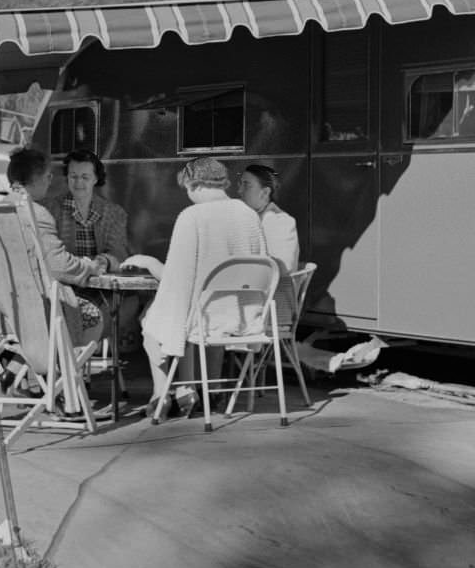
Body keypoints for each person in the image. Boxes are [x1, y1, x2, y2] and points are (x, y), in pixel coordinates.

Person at [123, 157, 267, 416]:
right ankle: (208, 389)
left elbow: (176, 279)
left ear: (195, 183)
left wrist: (148, 262)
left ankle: (163, 395)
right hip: (242, 316)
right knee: (191, 314)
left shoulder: (192, 216)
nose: (188, 196)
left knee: (151, 322)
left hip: (204, 317)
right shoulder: (249, 214)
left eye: (187, 189)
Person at [5, 147, 110, 352]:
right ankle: (69, 378)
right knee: (93, 315)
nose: (50, 180)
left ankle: (15, 371)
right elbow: (59, 266)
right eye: (48, 175)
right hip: (32, 311)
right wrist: (89, 266)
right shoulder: (36, 213)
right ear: (37, 178)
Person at [45, 149, 129, 270]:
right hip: (64, 284)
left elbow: (119, 254)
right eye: (74, 176)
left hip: (102, 284)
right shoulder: (50, 210)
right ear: (67, 177)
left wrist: (106, 261)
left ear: (95, 179)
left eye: (85, 177)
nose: (79, 182)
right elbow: (49, 255)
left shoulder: (114, 213)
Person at [237, 164, 300, 272]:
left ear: (265, 192)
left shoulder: (280, 222)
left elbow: (284, 266)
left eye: (246, 185)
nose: (239, 191)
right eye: (240, 184)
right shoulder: (251, 218)